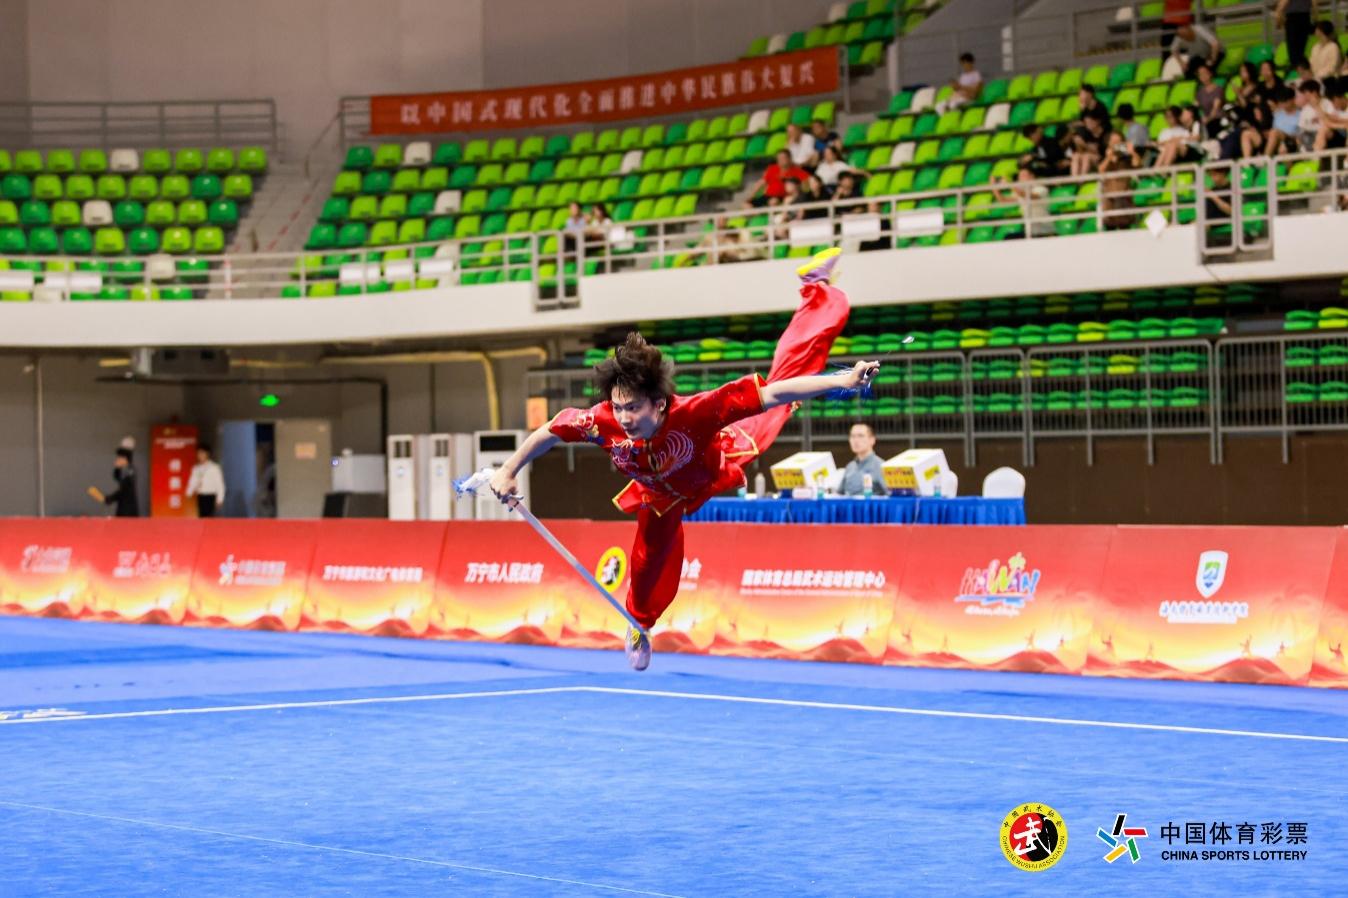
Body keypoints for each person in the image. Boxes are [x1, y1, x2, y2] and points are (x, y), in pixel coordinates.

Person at [488, 248, 873, 670]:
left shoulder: (696, 412)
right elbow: (550, 430)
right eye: (618, 407)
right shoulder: (600, 421)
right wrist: (508, 470)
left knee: (783, 390)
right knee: (647, 560)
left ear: (658, 404)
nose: (623, 418)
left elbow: (772, 393)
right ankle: (639, 624)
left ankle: (816, 290)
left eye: (633, 408)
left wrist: (844, 380)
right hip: (660, 494)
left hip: (724, 453)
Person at [1100, 132, 1140, 230]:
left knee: (1124, 226)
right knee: (1109, 227)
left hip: (1124, 197)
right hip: (1109, 199)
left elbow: (1137, 164)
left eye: (1119, 142)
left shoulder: (1126, 158)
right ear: (1108, 143)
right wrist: (1109, 157)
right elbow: (1101, 170)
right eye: (1113, 142)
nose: (1116, 144)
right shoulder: (1106, 157)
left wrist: (1132, 152)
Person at [839, 422, 886, 496]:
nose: (856, 440)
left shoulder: (881, 466)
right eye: (852, 436)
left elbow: (890, 496)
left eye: (860, 436)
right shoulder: (850, 467)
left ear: (872, 440)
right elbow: (839, 494)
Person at [186, 443, 226, 518]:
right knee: (201, 517)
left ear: (207, 454)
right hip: (200, 495)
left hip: (210, 495)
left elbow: (220, 484)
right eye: (198, 453)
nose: (200, 455)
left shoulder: (214, 467)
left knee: (209, 517)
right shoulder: (196, 468)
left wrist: (220, 499)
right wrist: (188, 493)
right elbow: (192, 482)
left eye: (202, 453)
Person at [103, 438, 140, 518]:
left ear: (125, 459)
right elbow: (117, 478)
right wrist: (117, 468)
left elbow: (124, 490)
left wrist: (110, 498)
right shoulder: (125, 470)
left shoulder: (130, 471)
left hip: (128, 511)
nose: (117, 460)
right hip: (122, 508)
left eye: (119, 458)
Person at [1276, 0, 1316, 71]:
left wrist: (1278, 21)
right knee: (1301, 48)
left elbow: (1281, 6)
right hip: (1305, 17)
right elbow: (1314, 4)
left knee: (1293, 49)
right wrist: (1316, 19)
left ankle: (1296, 67)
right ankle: (1302, 66)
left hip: (1293, 19)